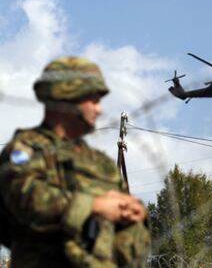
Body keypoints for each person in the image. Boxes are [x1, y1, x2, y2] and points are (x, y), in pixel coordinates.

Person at [0, 56, 150, 267]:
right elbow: (26, 200)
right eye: (93, 100)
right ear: (66, 96)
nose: (100, 110)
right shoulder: (26, 149)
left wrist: (135, 214)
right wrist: (95, 206)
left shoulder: (101, 164)